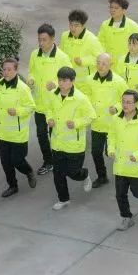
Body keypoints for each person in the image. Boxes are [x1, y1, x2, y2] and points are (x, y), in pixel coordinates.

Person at [46, 67, 97, 211]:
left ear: (72, 81)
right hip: (57, 142)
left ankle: (84, 175)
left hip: (74, 145)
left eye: (65, 81)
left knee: (73, 172)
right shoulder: (53, 95)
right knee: (58, 173)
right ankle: (63, 199)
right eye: (60, 80)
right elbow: (48, 109)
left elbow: (91, 116)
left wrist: (76, 123)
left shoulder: (80, 98)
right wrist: (49, 119)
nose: (62, 83)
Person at [107, 90, 138, 230]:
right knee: (120, 194)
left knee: (137, 192)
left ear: (136, 104)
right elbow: (111, 135)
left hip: (137, 165)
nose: (125, 105)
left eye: (129, 102)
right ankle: (126, 217)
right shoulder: (116, 119)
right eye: (123, 101)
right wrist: (111, 149)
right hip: (120, 164)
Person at [28, 24, 71, 175]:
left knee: (56, 135)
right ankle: (48, 161)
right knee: (41, 134)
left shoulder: (62, 57)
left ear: (52, 39)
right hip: (40, 103)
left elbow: (70, 78)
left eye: (44, 40)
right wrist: (31, 80)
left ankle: (59, 160)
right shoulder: (35, 54)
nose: (41, 43)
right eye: (39, 39)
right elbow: (32, 71)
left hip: (55, 105)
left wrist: (55, 84)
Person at [0, 58, 37, 198]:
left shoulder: (22, 88)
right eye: (4, 69)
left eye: (9, 69)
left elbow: (31, 107)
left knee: (17, 160)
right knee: (6, 162)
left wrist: (17, 111)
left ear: (16, 70)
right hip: (2, 132)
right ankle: (12, 186)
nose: (6, 72)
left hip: (17, 133)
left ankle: (29, 172)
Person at [81, 53, 127, 188]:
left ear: (110, 65)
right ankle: (102, 176)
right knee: (95, 152)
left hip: (113, 124)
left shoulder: (118, 81)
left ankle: (123, 173)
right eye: (98, 63)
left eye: (104, 64)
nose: (100, 66)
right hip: (97, 123)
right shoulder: (89, 79)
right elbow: (86, 96)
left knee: (111, 152)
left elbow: (127, 99)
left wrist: (117, 107)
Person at [59, 9, 104, 89]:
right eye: (71, 25)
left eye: (76, 25)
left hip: (85, 84)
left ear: (83, 25)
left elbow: (101, 59)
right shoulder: (64, 36)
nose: (73, 28)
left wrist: (83, 61)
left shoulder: (92, 39)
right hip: (67, 82)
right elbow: (60, 55)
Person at [97, 0, 138, 67]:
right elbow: (100, 43)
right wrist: (104, 58)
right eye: (111, 7)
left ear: (124, 10)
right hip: (109, 65)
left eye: (116, 8)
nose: (113, 10)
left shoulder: (133, 26)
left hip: (126, 65)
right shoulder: (105, 25)